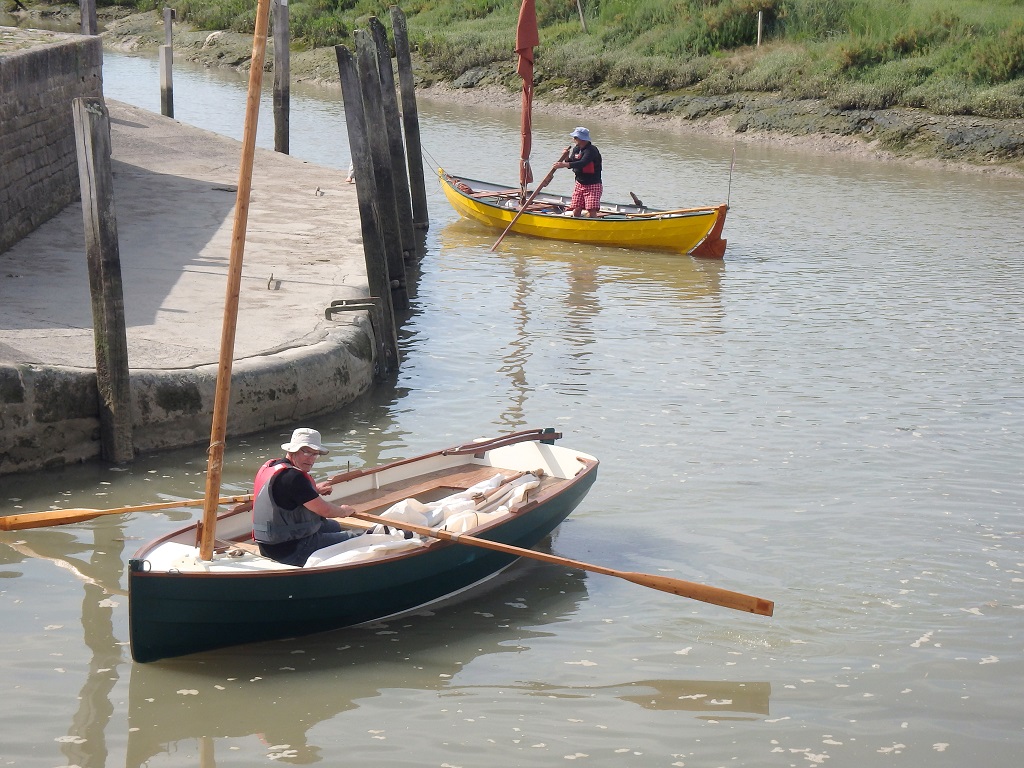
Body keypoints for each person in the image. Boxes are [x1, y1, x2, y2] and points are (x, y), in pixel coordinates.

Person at [252, 427, 364, 566]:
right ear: (292, 450)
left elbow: (286, 494)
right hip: (292, 550)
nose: (311, 459)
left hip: (270, 546)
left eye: (315, 454)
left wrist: (314, 490)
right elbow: (326, 511)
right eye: (306, 452)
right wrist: (344, 511)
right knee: (358, 537)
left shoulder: (274, 466)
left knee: (333, 526)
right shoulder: (293, 478)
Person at [555, 126, 603, 217]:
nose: (574, 139)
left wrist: (563, 165)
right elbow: (572, 163)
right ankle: (576, 224)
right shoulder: (576, 149)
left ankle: (594, 226)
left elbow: (583, 163)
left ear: (582, 139)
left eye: (576, 138)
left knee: (591, 209)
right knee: (576, 208)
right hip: (579, 183)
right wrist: (566, 157)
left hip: (593, 185)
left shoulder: (591, 150)